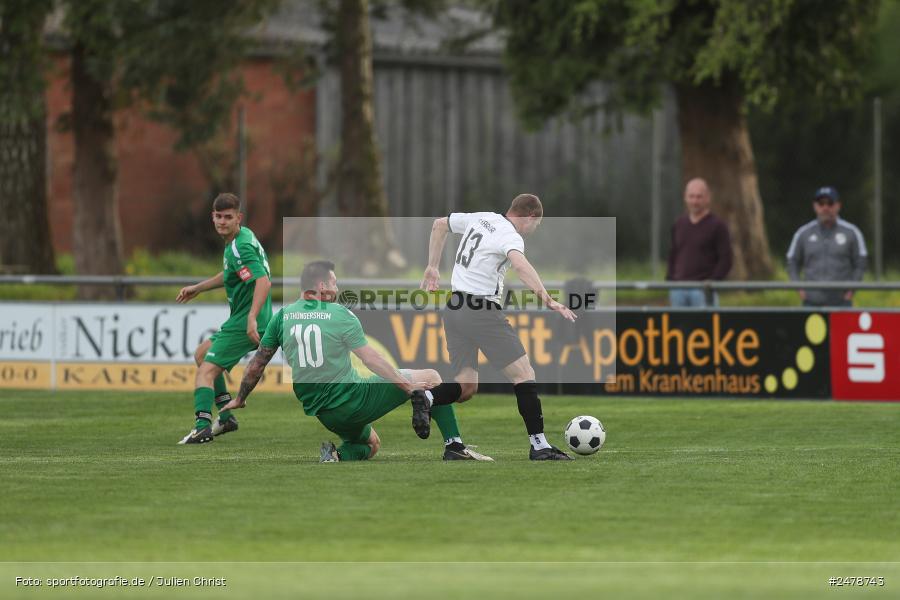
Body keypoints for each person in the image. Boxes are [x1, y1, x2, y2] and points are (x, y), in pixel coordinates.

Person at [219, 260, 492, 462]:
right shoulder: (339, 315)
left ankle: (335, 456)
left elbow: (257, 365)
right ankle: (454, 446)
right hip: (353, 400)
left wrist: (241, 397)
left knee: (371, 444)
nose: (337, 287)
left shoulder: (283, 316)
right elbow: (372, 359)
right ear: (322, 286)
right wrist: (409, 389)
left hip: (325, 414)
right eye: (334, 282)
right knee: (431, 378)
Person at [420, 193, 578, 461]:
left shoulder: (481, 218)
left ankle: (426, 398)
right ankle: (539, 446)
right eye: (535, 226)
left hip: (455, 307)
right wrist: (549, 300)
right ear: (529, 217)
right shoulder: (510, 235)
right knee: (524, 376)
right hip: (481, 311)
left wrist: (433, 267)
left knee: (466, 386)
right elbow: (520, 265)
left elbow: (439, 224)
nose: (532, 232)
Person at [175, 193, 273, 444]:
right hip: (242, 319)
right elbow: (231, 272)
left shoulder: (240, 247)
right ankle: (226, 417)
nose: (222, 222)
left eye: (228, 217)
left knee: (206, 372)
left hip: (245, 321)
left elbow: (262, 280)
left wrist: (251, 318)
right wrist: (199, 287)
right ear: (212, 217)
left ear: (238, 217)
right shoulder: (239, 240)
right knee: (201, 354)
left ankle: (202, 427)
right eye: (218, 217)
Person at [787, 186, 867, 307]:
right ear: (815, 206)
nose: (825, 207)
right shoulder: (803, 233)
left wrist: (851, 290)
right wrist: (800, 288)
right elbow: (792, 261)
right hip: (811, 302)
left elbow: (861, 263)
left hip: (841, 302)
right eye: (821, 203)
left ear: (838, 205)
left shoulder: (852, 232)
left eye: (830, 203)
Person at [666, 178, 732, 306]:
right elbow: (673, 254)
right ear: (685, 197)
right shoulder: (679, 224)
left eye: (699, 197)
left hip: (703, 292)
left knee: (706, 325)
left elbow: (726, 259)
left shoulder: (718, 226)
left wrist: (713, 281)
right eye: (691, 196)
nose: (695, 201)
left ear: (707, 198)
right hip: (678, 290)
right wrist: (670, 279)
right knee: (678, 326)